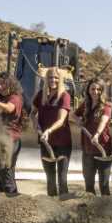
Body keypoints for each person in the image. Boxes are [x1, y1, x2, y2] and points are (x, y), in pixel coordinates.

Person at [31, 68, 72, 197]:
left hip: (62, 143)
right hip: (45, 142)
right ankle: (52, 207)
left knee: (62, 179)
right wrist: (34, 122)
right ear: (46, 79)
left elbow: (61, 120)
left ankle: (64, 205)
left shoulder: (64, 96)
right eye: (50, 77)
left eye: (55, 78)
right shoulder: (40, 95)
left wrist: (48, 130)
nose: (53, 80)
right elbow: (32, 113)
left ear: (60, 80)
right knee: (50, 179)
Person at [75, 78, 112, 195]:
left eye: (98, 89)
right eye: (93, 89)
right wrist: (78, 120)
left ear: (102, 91)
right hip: (88, 150)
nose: (95, 91)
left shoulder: (106, 106)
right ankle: (91, 211)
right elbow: (73, 115)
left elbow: (103, 121)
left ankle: (107, 210)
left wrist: (97, 134)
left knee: (104, 185)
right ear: (88, 90)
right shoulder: (85, 105)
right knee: (89, 184)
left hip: (103, 151)